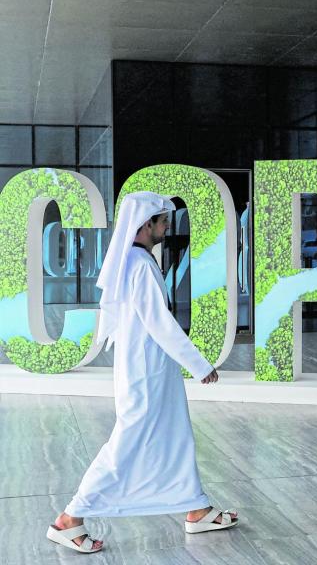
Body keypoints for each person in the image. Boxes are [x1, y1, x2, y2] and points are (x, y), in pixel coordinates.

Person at [46, 191, 238, 554]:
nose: (167, 226)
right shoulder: (139, 264)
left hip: (151, 371)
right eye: (163, 221)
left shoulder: (133, 261)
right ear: (145, 224)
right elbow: (160, 323)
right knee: (127, 445)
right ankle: (69, 519)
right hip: (146, 374)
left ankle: (197, 509)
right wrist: (199, 365)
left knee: (176, 436)